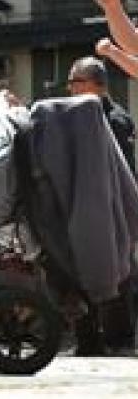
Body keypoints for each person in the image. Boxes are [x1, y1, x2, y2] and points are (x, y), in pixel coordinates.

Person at [66, 56, 137, 356]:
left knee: (117, 276)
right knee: (79, 273)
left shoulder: (116, 120)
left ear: (97, 85)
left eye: (76, 82)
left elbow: (121, 173)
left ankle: (120, 339)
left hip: (112, 210)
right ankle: (88, 341)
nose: (70, 89)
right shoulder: (76, 118)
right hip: (83, 207)